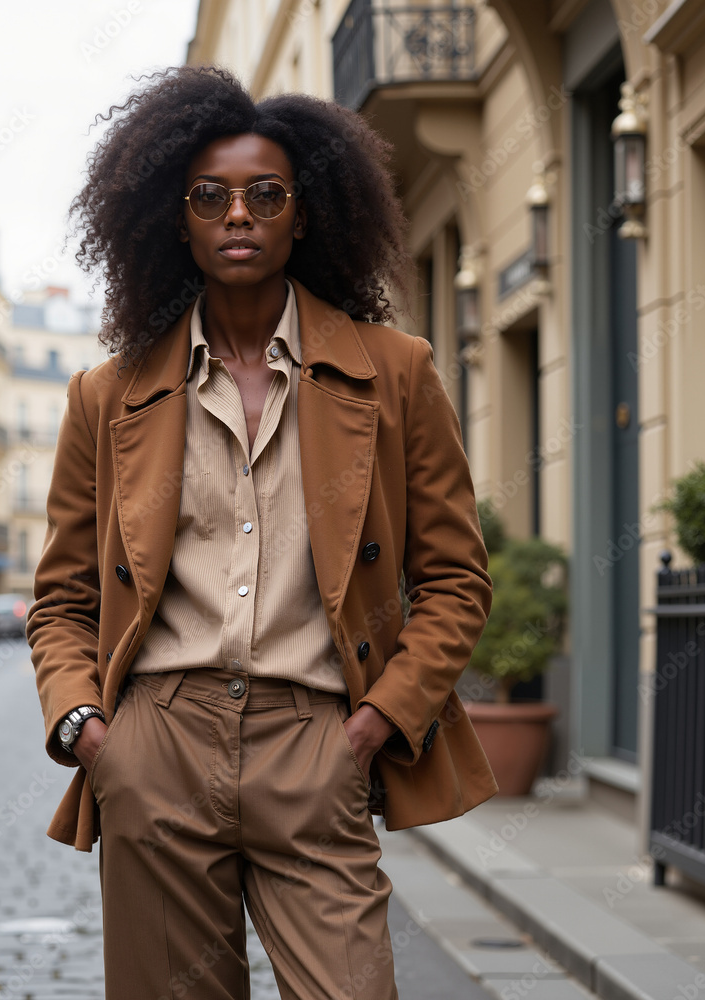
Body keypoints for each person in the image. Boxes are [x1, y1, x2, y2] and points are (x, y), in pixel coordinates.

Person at [27, 64, 496, 1000]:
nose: (237, 213)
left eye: (264, 194)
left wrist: (373, 725)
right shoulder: (105, 394)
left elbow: (454, 581)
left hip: (318, 739)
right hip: (156, 742)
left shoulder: (395, 372)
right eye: (210, 195)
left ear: (305, 214)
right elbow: (65, 598)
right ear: (178, 217)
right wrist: (87, 729)